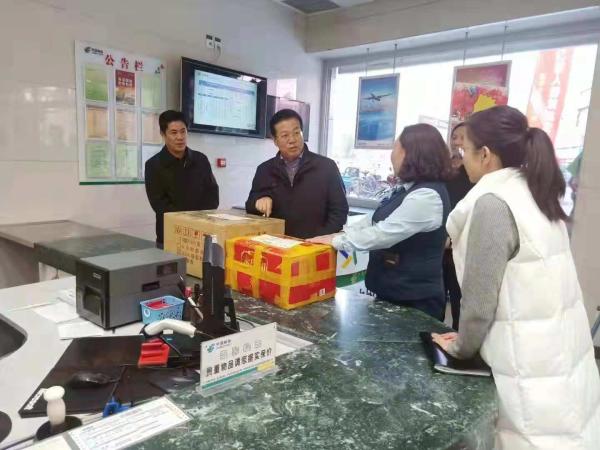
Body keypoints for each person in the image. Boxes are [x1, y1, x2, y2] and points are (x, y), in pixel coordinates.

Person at [432, 106, 600, 449]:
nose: (461, 160)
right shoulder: (534, 191)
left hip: (527, 366)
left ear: (485, 155)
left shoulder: (493, 204)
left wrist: (461, 347)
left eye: (465, 151)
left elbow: (479, 304)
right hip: (560, 355)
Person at [310, 124, 451, 320]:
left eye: (395, 149)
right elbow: (374, 219)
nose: (391, 156)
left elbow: (383, 234)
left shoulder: (426, 196)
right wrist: (340, 234)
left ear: (411, 155)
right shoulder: (406, 189)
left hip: (415, 302)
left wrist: (336, 241)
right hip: (392, 294)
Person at [245, 109, 348, 239]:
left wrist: (319, 240)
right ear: (275, 140)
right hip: (277, 245)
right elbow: (250, 206)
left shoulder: (326, 167)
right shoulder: (265, 169)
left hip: (316, 245)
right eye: (285, 135)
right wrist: (258, 202)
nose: (292, 140)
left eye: (296, 133)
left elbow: (339, 211)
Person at [145, 110, 219, 248]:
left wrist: (199, 220)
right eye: (173, 133)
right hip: (169, 236)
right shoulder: (153, 165)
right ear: (163, 134)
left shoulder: (200, 159)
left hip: (200, 233)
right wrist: (187, 221)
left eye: (183, 131)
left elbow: (212, 194)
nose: (180, 137)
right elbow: (159, 204)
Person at [443, 122, 474, 329]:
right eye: (454, 137)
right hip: (441, 246)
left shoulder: (475, 175)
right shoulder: (442, 171)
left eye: (463, 137)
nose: (457, 142)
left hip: (461, 247)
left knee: (459, 302)